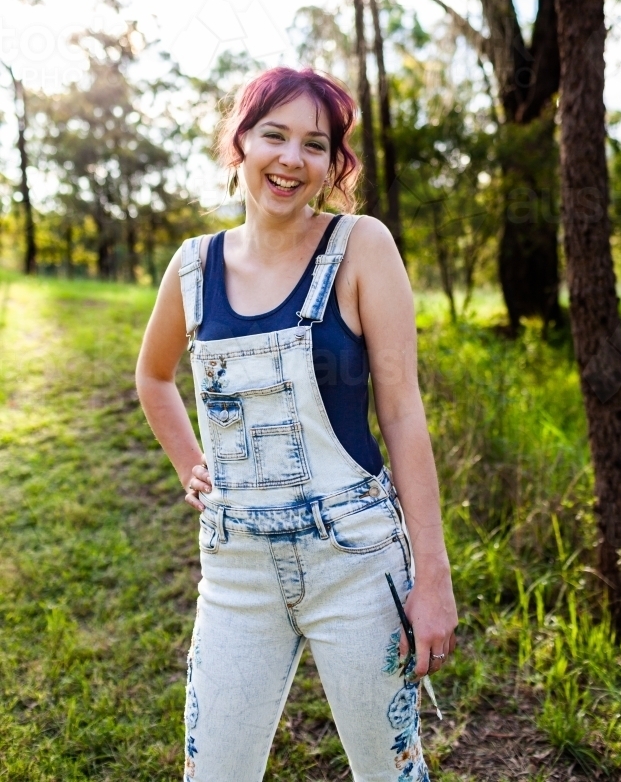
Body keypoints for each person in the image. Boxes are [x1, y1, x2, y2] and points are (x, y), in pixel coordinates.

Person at [135, 67, 458, 782]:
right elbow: (152, 377)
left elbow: (402, 413)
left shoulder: (360, 247)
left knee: (388, 773)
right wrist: (190, 460)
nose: (291, 159)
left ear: (332, 164)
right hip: (236, 571)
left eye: (315, 144)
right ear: (239, 143)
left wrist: (431, 576)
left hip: (357, 562)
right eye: (273, 135)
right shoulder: (192, 268)